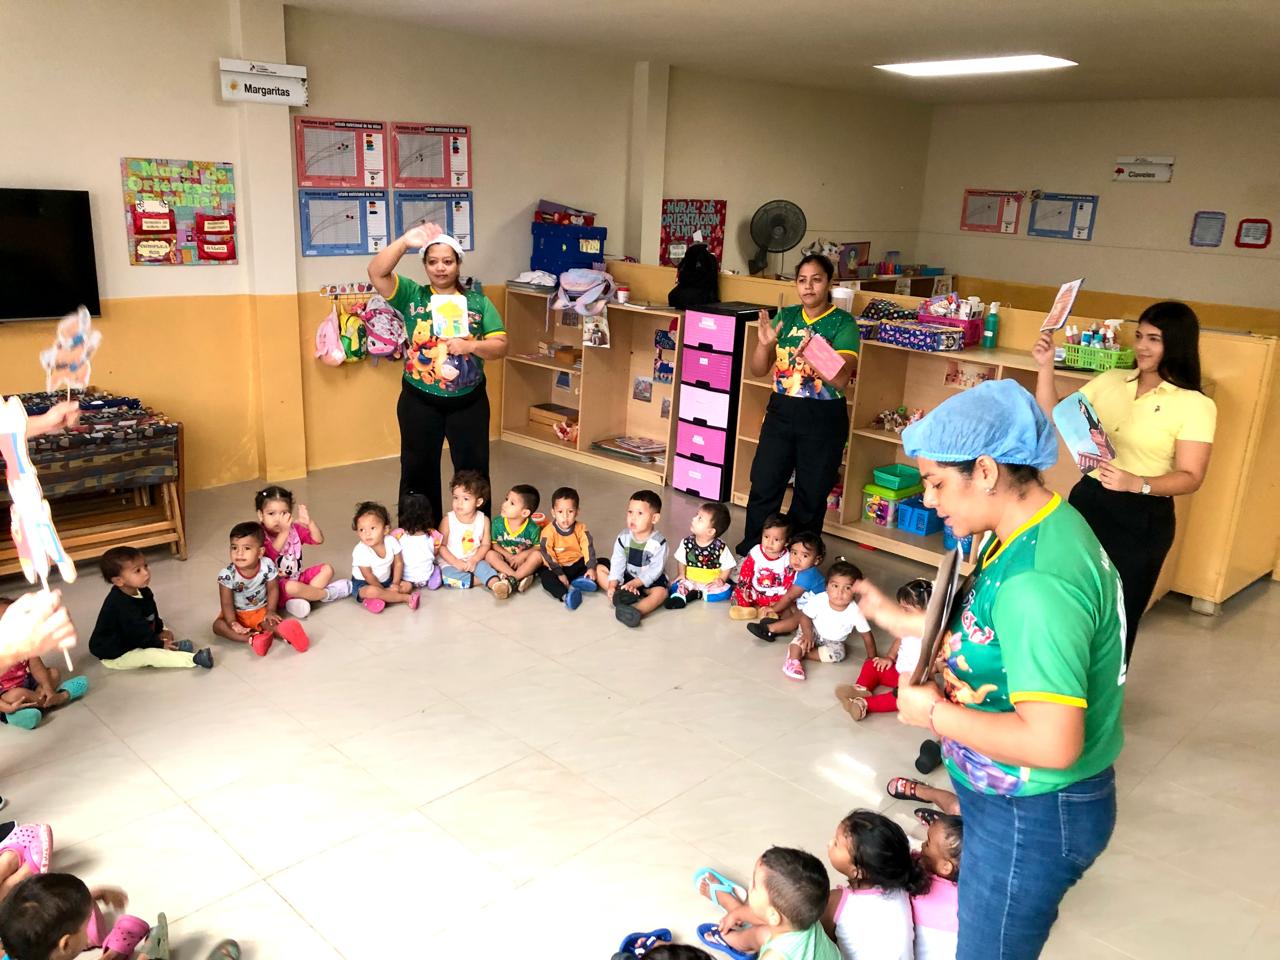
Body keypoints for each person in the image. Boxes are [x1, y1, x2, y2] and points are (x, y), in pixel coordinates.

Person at [856, 379, 1124, 960]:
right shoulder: (1028, 528)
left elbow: (1053, 744)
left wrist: (933, 713)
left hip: (1034, 813)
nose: (929, 499)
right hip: (1010, 798)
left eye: (936, 482)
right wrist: (908, 623)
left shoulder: (1037, 583)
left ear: (984, 470)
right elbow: (991, 628)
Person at [1033, 301, 1215, 663]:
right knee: (1068, 600)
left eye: (1154, 339)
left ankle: (1104, 691)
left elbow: (1191, 477)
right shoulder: (1111, 380)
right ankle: (1058, 684)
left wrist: (1138, 483)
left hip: (1142, 516)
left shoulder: (1195, 404)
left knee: (1118, 614)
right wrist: (1045, 366)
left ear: (1177, 343)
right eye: (1139, 336)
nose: (1142, 346)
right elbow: (1054, 413)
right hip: (1088, 501)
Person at [367, 223, 508, 526]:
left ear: (458, 263)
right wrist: (405, 242)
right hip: (420, 400)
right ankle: (418, 535)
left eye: (447, 261)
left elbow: (500, 345)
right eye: (433, 262)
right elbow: (376, 272)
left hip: (468, 402)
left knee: (473, 472)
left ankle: (474, 537)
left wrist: (471, 345)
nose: (440, 268)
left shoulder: (478, 302)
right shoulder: (412, 295)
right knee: (417, 469)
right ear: (425, 265)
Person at [736, 254, 859, 556]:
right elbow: (757, 369)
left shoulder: (843, 322)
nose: (808, 287)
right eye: (802, 280)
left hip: (823, 417)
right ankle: (756, 554)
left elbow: (841, 379)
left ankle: (799, 559)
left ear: (829, 283)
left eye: (816, 280)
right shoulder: (786, 316)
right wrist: (764, 344)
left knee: (811, 493)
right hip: (781, 410)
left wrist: (814, 352)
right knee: (765, 483)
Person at [694, 848, 839, 960]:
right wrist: (737, 914)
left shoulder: (773, 957)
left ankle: (731, 917)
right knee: (763, 932)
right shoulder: (803, 915)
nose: (750, 884)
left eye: (754, 885)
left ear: (773, 916)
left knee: (762, 933)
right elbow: (770, 917)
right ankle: (734, 926)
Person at [822, 809, 926, 960]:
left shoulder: (836, 902)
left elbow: (819, 941)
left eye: (836, 843)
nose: (829, 843)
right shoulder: (900, 880)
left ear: (858, 871)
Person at [88, 548, 213, 671]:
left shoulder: (143, 590)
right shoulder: (120, 605)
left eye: (145, 566)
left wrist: (159, 629)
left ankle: (169, 647)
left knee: (156, 624)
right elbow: (139, 634)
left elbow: (151, 613)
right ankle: (194, 659)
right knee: (150, 655)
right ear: (119, 581)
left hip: (134, 634)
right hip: (116, 652)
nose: (146, 573)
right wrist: (159, 644)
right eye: (137, 571)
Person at [749, 560, 872, 682]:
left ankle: (804, 653)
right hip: (812, 629)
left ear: (856, 592)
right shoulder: (819, 600)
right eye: (835, 586)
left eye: (848, 588)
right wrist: (808, 634)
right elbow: (805, 617)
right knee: (800, 640)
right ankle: (793, 661)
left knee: (839, 654)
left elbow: (866, 635)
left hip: (834, 641)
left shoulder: (856, 611)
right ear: (826, 587)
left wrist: (871, 658)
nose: (840, 592)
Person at [833, 578, 932, 720]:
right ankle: (860, 689)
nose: (901, 612)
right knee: (871, 663)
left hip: (914, 680)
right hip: (897, 671)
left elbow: (935, 664)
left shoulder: (930, 634)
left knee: (903, 697)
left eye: (907, 610)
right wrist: (889, 657)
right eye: (900, 607)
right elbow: (899, 640)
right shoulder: (906, 627)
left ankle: (864, 704)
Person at [212, 523, 310, 655]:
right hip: (236, 614)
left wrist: (271, 611)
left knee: (270, 623)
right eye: (234, 548)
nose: (239, 553)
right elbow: (226, 603)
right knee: (218, 626)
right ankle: (253, 639)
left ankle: (287, 635)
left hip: (260, 611)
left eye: (246, 548)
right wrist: (232, 622)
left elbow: (273, 589)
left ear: (260, 552)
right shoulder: (227, 575)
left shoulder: (266, 565)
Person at [256, 485, 347, 618]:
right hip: (275, 587)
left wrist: (310, 523)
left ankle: (300, 600)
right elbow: (269, 556)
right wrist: (284, 532)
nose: (278, 519)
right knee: (292, 587)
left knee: (327, 569)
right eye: (271, 513)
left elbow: (318, 539)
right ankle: (327, 594)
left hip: (297, 578)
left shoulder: (294, 529)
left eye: (284, 513)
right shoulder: (258, 535)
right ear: (260, 515)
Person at [0, 598, 89, 731]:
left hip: (27, 683)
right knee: (16, 694)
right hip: (5, 696)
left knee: (53, 673)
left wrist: (46, 686)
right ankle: (61, 697)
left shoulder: (24, 643)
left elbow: (37, 667)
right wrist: (7, 708)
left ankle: (36, 703)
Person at [593, 490, 669, 628]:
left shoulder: (659, 543)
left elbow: (655, 571)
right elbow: (618, 561)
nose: (633, 518)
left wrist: (635, 584)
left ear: (654, 518)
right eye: (630, 512)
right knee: (598, 568)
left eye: (639, 513)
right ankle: (619, 594)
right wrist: (612, 584)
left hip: (648, 581)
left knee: (661, 593)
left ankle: (635, 610)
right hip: (627, 576)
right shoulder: (623, 537)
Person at [437, 471, 503, 594]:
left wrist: (475, 559)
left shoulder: (483, 520)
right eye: (455, 497)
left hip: (474, 559)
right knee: (446, 577)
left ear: (478, 502)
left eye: (465, 499)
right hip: (450, 562)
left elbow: (485, 545)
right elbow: (441, 546)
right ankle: (487, 579)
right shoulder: (448, 519)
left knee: (484, 568)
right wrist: (456, 562)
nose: (459, 502)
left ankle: (496, 584)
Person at [349, 502, 420, 614]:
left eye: (372, 528)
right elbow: (368, 575)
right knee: (372, 591)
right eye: (361, 530)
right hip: (364, 583)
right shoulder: (360, 550)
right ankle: (405, 598)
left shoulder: (391, 541)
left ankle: (380, 598)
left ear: (385, 530)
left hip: (386, 580)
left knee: (407, 585)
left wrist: (395, 583)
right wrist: (382, 590)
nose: (367, 533)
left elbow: (398, 563)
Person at [536, 487, 598, 610]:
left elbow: (587, 547)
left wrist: (591, 567)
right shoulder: (548, 532)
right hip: (557, 567)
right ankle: (566, 595)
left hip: (576, 564)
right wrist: (559, 573)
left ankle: (581, 579)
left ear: (577, 512)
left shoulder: (581, 528)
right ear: (553, 512)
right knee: (546, 578)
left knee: (603, 562)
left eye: (570, 511)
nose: (565, 516)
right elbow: (547, 554)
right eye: (560, 512)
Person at [665, 502, 735, 610]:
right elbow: (681, 560)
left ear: (710, 531)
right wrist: (681, 574)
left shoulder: (720, 547)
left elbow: (728, 566)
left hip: (710, 583)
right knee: (674, 586)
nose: (694, 519)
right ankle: (680, 596)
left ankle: (699, 594)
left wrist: (721, 579)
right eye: (696, 515)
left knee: (726, 592)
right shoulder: (686, 542)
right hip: (690, 579)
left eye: (700, 518)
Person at [912, 816, 962, 960]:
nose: (922, 845)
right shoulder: (968, 896)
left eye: (928, 843)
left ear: (945, 867)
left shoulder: (922, 892)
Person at [731, 514, 793, 621]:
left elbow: (789, 580)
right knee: (739, 593)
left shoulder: (788, 558)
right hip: (755, 591)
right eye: (766, 537)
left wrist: (781, 597)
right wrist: (745, 588)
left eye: (776, 539)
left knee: (784, 603)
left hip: (774, 595)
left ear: (787, 542)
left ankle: (767, 612)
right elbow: (746, 571)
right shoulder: (756, 552)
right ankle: (748, 610)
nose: (770, 542)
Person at [485, 484, 543, 595]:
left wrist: (522, 556)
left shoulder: (533, 528)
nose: (504, 504)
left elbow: (538, 546)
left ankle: (510, 579)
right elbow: (494, 544)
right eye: (506, 499)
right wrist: (508, 556)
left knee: (538, 556)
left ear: (525, 513)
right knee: (489, 555)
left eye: (512, 503)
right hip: (504, 559)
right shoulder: (497, 523)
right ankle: (517, 578)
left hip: (522, 562)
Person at [764, 532, 826, 621]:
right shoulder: (802, 570)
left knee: (789, 611)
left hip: (817, 615)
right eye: (794, 553)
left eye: (805, 556)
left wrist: (774, 609)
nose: (797, 559)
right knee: (785, 606)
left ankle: (773, 627)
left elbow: (790, 596)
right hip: (805, 606)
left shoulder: (808, 575)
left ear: (816, 560)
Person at [395, 493, 444, 591]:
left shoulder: (397, 535)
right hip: (426, 575)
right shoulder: (434, 534)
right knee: (434, 563)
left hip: (405, 578)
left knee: (402, 585)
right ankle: (434, 575)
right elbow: (435, 552)